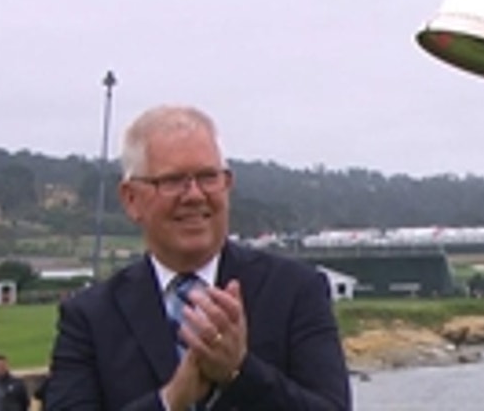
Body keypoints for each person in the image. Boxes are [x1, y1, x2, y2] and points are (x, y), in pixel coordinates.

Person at [45, 105, 351, 410]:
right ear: (131, 199)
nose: (194, 195)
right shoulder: (89, 317)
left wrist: (240, 372)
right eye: (173, 180)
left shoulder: (295, 290)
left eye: (208, 177)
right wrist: (171, 400)